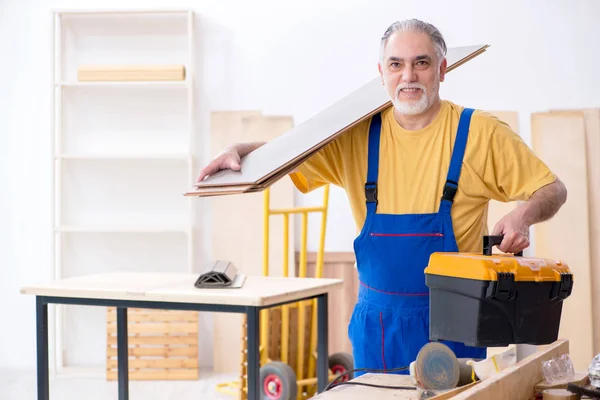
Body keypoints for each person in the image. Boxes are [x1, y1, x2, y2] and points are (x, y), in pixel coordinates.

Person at [197, 19, 567, 376]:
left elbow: (552, 188)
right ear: (382, 72)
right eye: (396, 64)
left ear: (442, 69)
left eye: (421, 63)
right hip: (377, 325)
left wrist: (523, 215)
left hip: (456, 319)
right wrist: (240, 148)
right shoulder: (354, 138)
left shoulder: (480, 134)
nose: (408, 76)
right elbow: (288, 153)